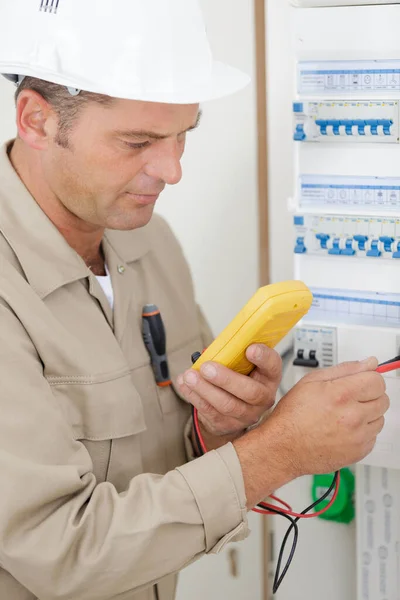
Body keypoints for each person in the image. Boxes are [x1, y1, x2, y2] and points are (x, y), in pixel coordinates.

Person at [0, 1, 389, 599]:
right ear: (36, 120)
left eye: (184, 134)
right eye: (139, 141)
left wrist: (222, 424)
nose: (173, 169)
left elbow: (168, 463)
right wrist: (278, 451)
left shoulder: (149, 240)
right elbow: (62, 549)